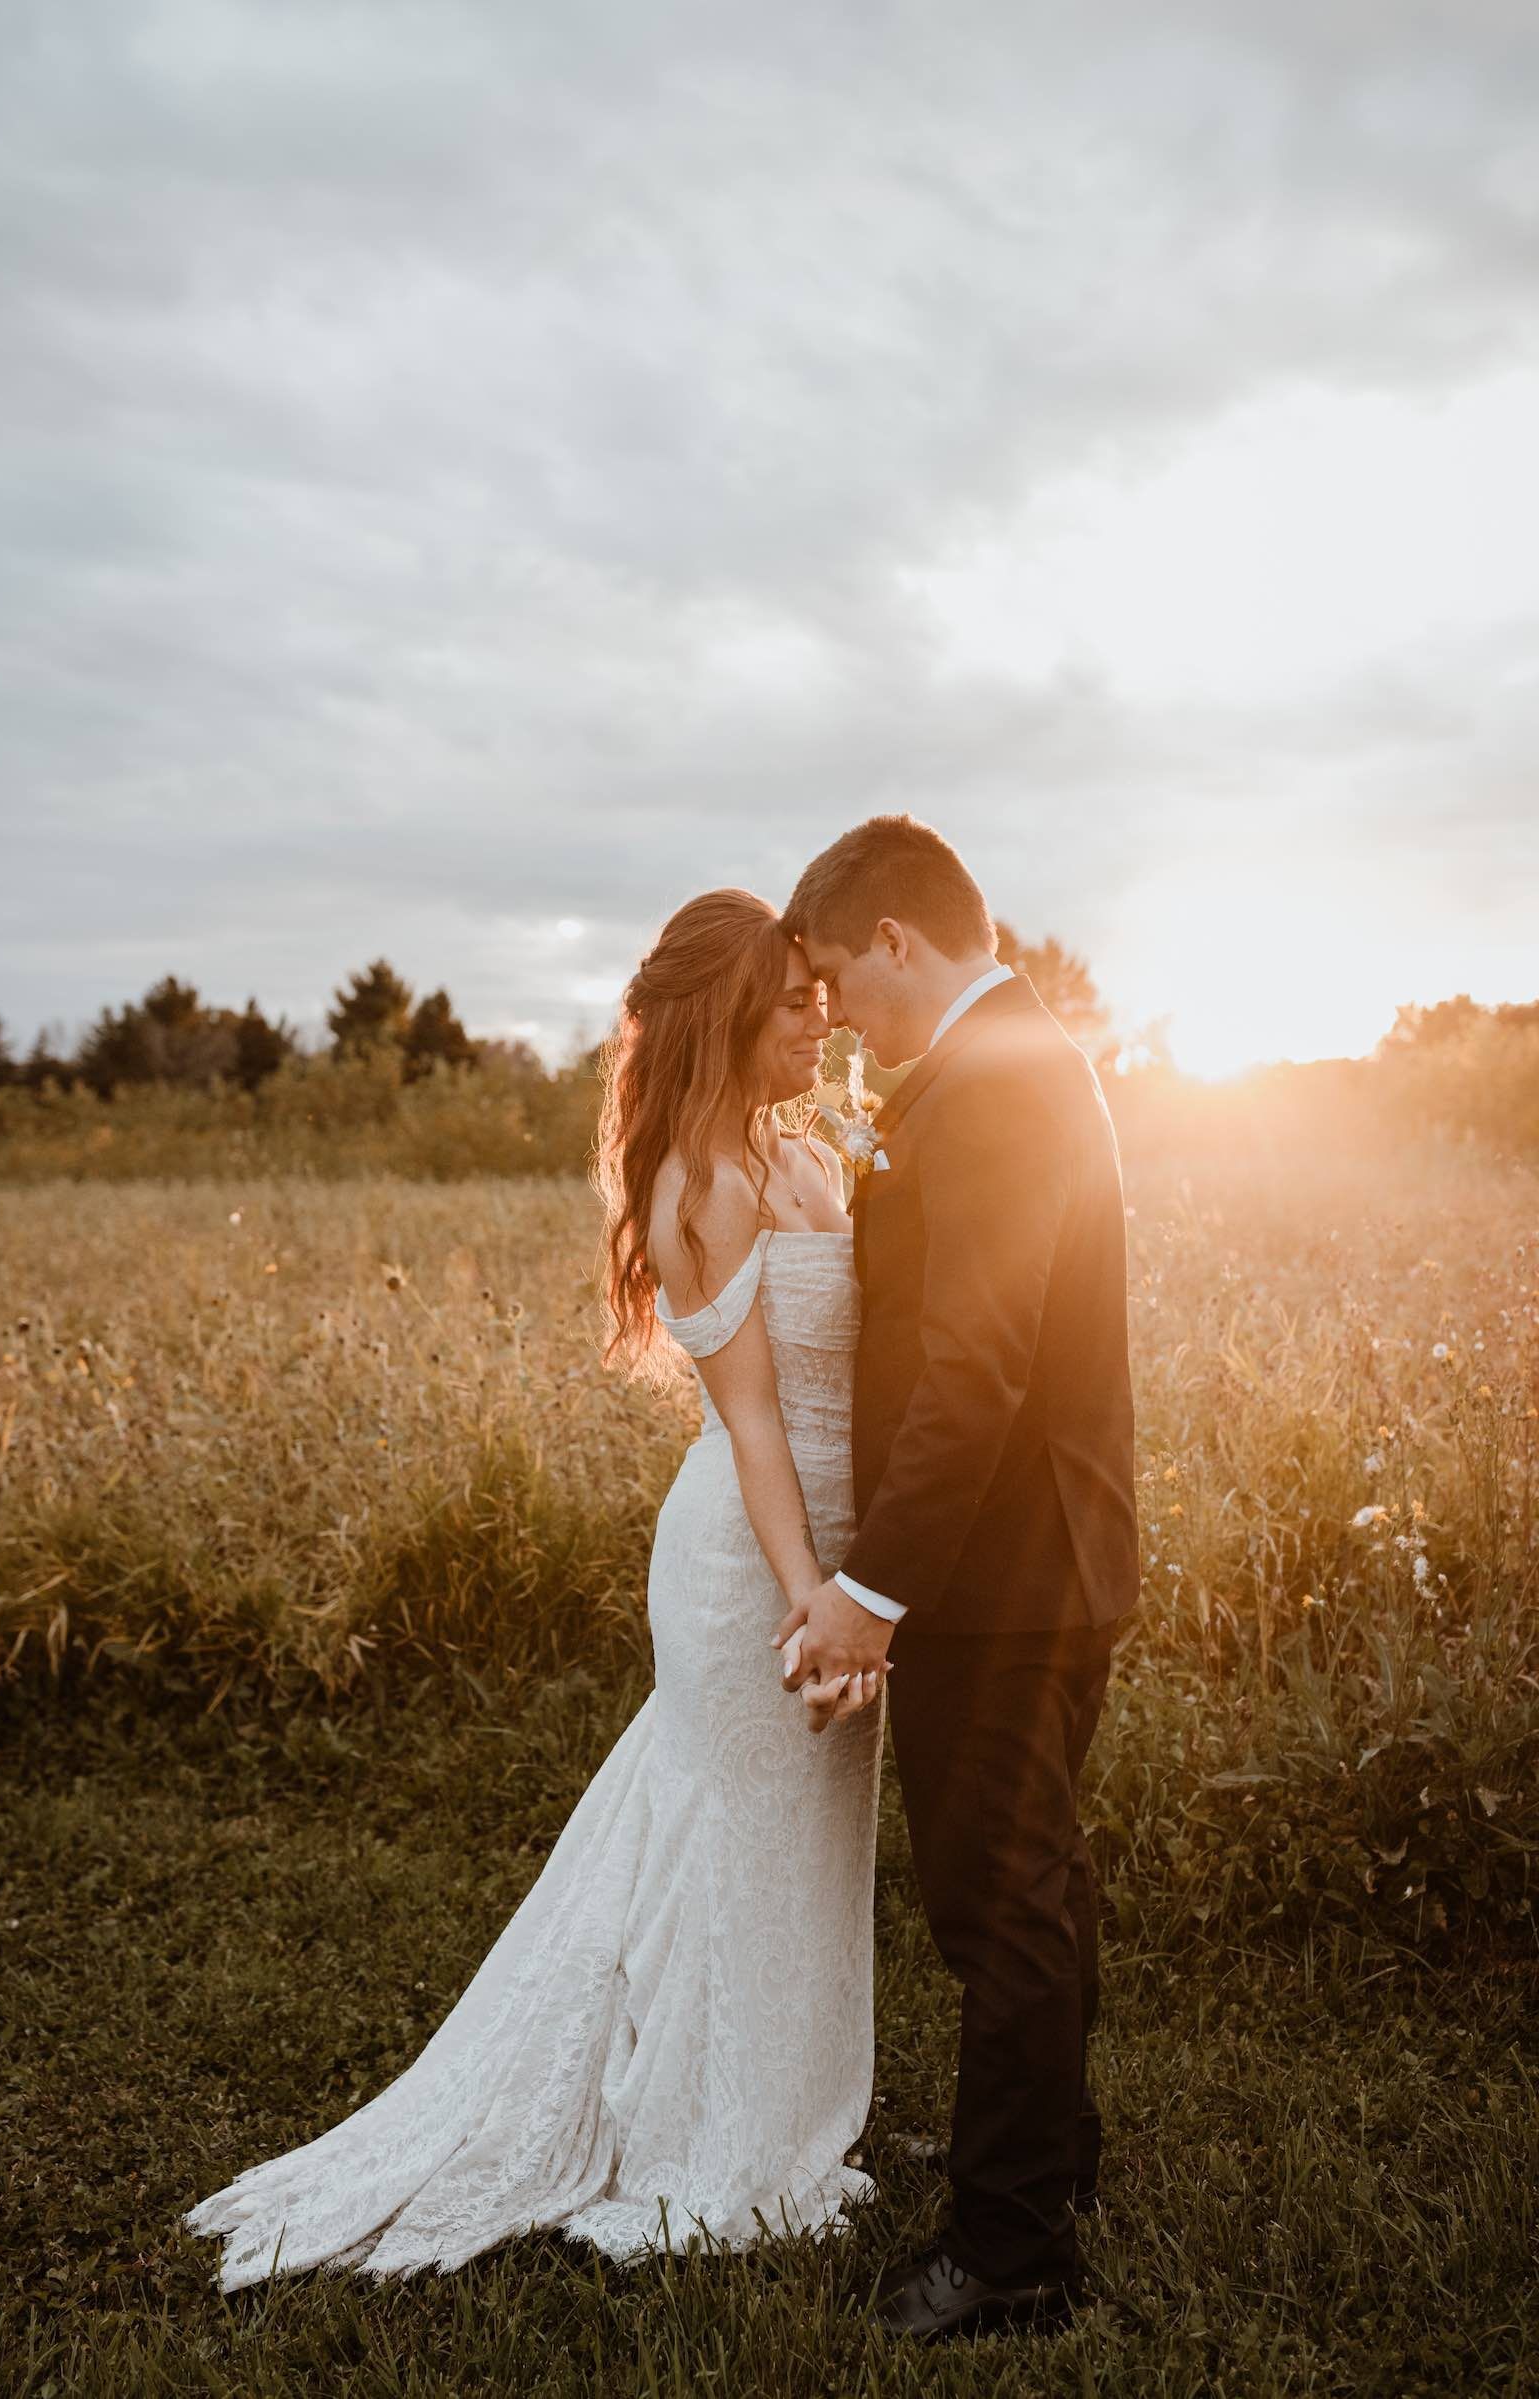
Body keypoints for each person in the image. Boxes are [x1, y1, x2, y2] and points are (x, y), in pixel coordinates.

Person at [182, 888, 887, 2290]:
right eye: (794, 1002)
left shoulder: (803, 1151)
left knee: (804, 1845)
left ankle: (787, 2119)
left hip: (843, 1557)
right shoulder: (704, 1182)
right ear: (729, 1017)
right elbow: (752, 1423)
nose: (825, 1017)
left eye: (822, 996)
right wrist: (815, 1592)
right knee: (731, 1840)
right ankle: (706, 2139)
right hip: (753, 1557)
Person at [775, 813, 1140, 2342]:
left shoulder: (998, 1085)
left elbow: (976, 1366)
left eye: (838, 979)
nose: (837, 1014)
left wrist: (871, 1589)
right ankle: (1041, 2164)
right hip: (1030, 1562)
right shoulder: (1005, 1067)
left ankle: (1009, 2263)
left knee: (998, 1903)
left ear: (899, 943)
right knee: (1022, 1884)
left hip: (1009, 1572)